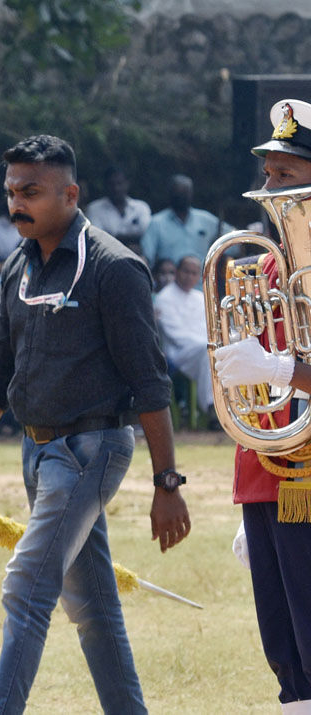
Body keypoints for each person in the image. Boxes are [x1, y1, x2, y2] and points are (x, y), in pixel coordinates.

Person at [0, 135, 191, 714]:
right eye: (11, 191)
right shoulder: (17, 263)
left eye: (32, 192)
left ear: (71, 194)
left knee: (26, 588)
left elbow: (151, 384)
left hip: (93, 452)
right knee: (94, 609)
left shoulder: (116, 268)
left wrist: (167, 483)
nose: (17, 203)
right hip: (37, 453)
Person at [212, 98, 311, 713]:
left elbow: (277, 365)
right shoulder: (267, 264)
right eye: (269, 176)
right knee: (282, 637)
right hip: (269, 469)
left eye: (288, 177)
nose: (269, 190)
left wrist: (277, 369)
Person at [154, 255, 213, 415]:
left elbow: (209, 328)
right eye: (186, 271)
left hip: (201, 349)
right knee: (208, 351)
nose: (189, 277)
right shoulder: (164, 297)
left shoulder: (200, 298)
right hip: (178, 353)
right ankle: (210, 406)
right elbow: (176, 335)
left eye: (194, 273)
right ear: (178, 272)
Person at [140, 174, 232, 267]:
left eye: (185, 193)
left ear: (191, 194)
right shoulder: (157, 223)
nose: (181, 197)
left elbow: (233, 238)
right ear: (170, 194)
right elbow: (147, 257)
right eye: (178, 193)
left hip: (202, 279)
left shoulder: (205, 219)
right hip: (169, 280)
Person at [85, 166, 152, 249]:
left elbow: (148, 235)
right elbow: (97, 240)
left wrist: (116, 237)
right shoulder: (94, 209)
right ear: (105, 185)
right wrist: (132, 240)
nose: (116, 188)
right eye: (111, 184)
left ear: (127, 183)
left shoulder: (141, 207)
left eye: (120, 183)